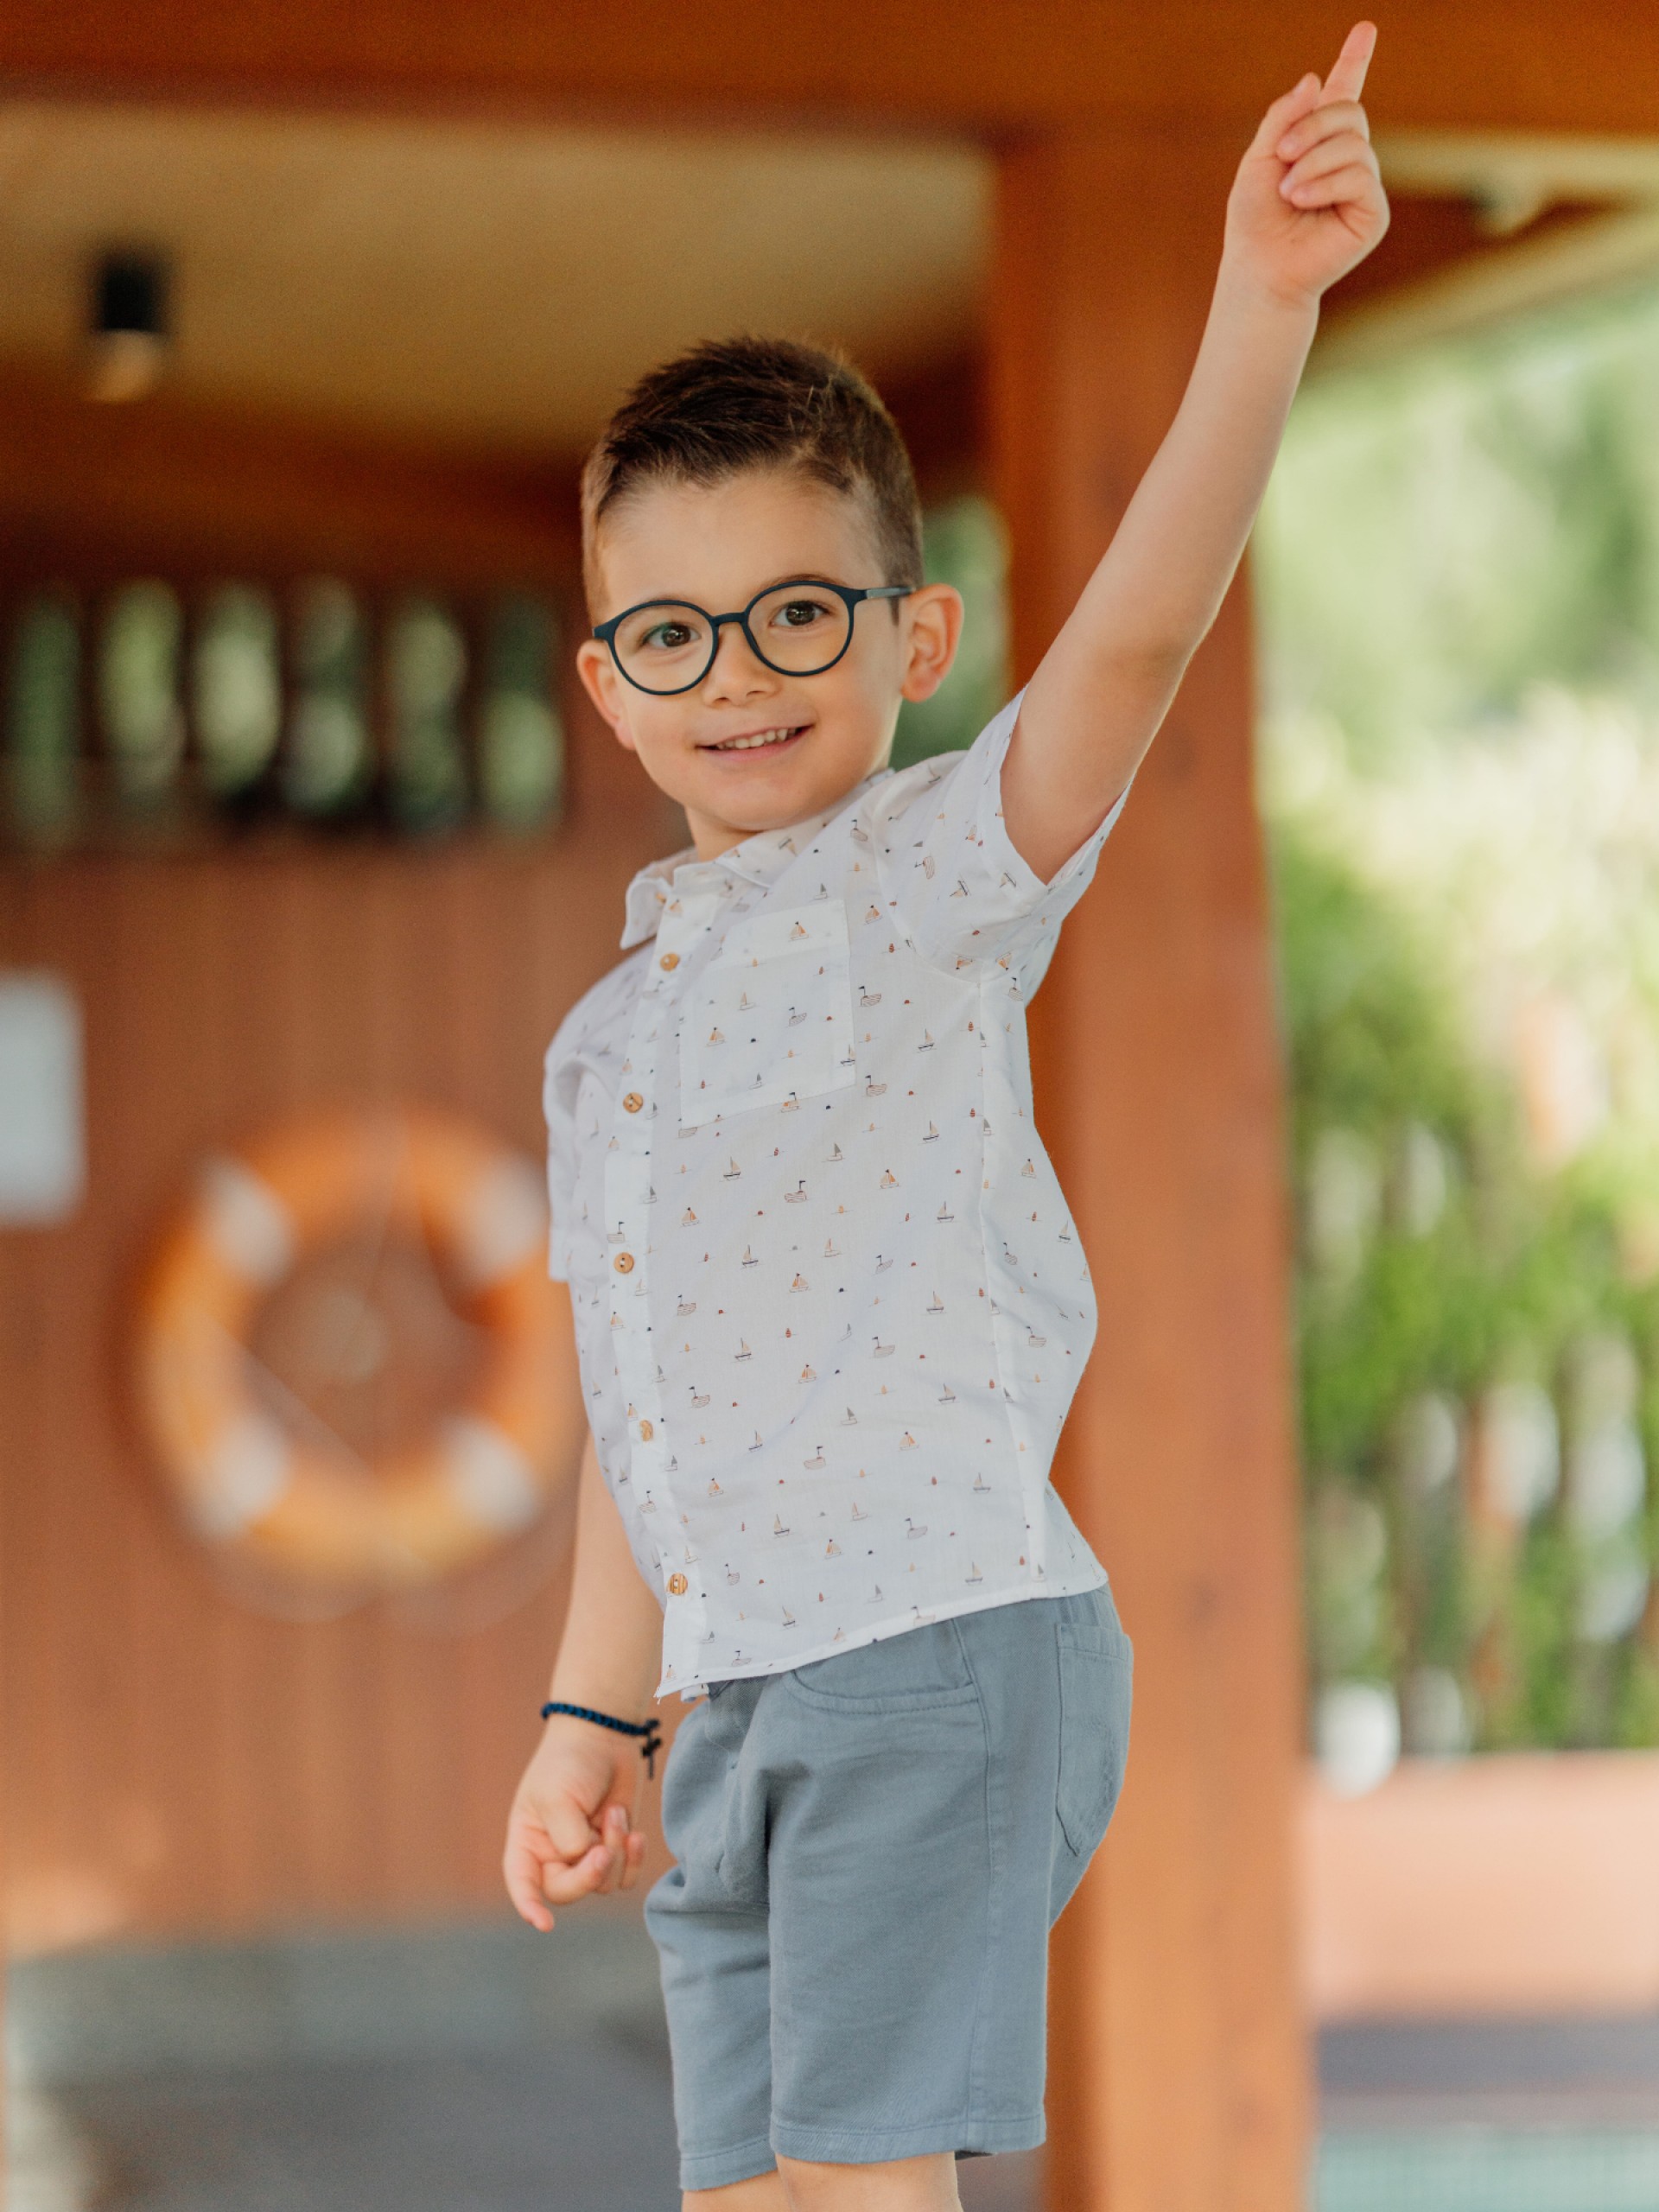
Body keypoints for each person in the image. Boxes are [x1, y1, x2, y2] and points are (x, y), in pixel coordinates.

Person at [505, 27, 1387, 2209]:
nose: (740, 672)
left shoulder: (940, 868)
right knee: (748, 2198)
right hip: (734, 1702)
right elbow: (645, 1417)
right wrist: (588, 1720)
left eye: (797, 611)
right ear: (605, 683)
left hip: (938, 1640)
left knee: (859, 2196)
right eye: (676, 634)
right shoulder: (603, 1049)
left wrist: (1257, 306)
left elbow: (1145, 627)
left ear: (914, 632)